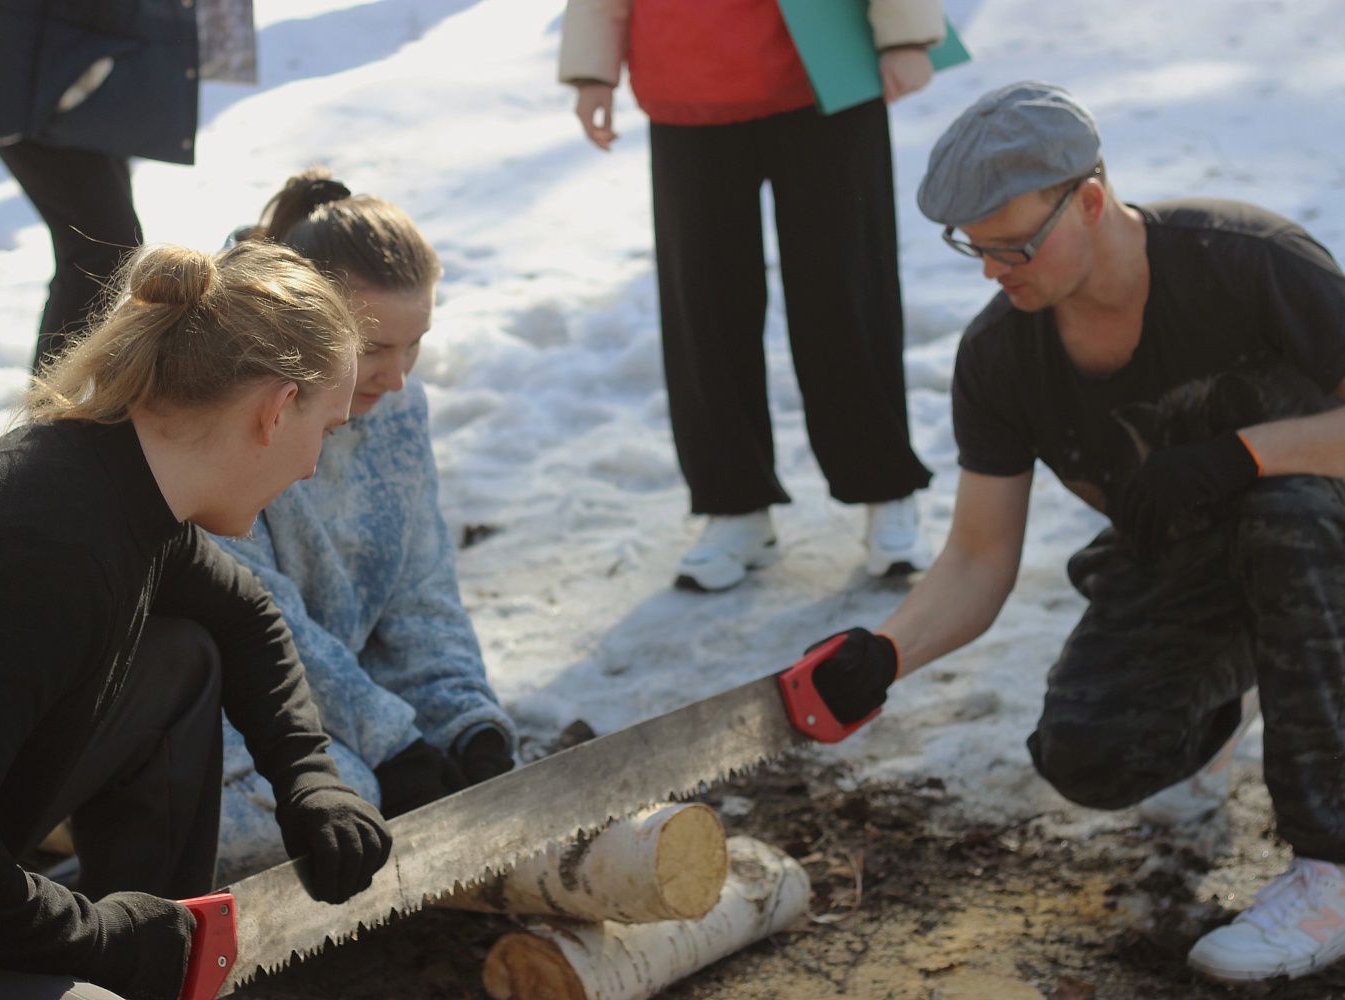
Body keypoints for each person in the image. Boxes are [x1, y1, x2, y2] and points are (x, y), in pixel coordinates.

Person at [804, 81, 1345, 983]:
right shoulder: (1001, 357)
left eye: (1011, 244)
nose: (992, 269)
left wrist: (1244, 454)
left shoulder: (1251, 262)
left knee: (1285, 516)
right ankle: (1251, 686)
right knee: (1090, 755)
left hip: (1326, 535)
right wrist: (884, 656)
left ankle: (1334, 865)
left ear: (1089, 199)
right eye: (974, 250)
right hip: (1198, 562)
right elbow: (979, 556)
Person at [0, 240, 391, 999]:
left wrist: (308, 778)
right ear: (274, 410)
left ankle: (159, 970)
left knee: (181, 658)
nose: (312, 466)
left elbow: (245, 613)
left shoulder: (112, 479)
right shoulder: (49, 553)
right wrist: (98, 941)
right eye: (324, 432)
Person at [557, 0, 940, 591]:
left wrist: (904, 32)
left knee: (848, 292)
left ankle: (886, 490)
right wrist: (591, 70)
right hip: (688, 80)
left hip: (825, 63)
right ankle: (734, 507)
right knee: (704, 306)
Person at [212, 171, 516, 880]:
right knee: (332, 803)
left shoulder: (399, 407)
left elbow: (421, 586)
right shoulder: (230, 407)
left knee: (392, 793)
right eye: (375, 348)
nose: (401, 376)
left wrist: (466, 723)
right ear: (305, 320)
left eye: (417, 343)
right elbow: (256, 621)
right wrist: (392, 742)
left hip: (335, 703)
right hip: (221, 700)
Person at [0, 0, 253, 370]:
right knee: (103, 248)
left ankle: (69, 402)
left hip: (81, 65)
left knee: (106, 249)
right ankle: (54, 414)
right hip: (33, 75)